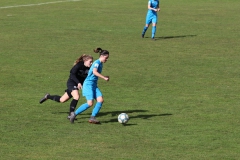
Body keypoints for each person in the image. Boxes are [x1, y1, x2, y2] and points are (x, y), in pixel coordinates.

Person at [39, 54, 93, 118]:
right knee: (76, 96)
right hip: (72, 82)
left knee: (62, 100)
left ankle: (48, 96)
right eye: (90, 61)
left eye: (92, 62)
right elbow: (72, 75)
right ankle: (71, 114)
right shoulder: (78, 65)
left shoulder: (90, 68)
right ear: (85, 60)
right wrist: (78, 83)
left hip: (78, 84)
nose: (91, 63)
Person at [69, 47, 110, 124]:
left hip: (94, 85)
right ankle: (74, 114)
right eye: (106, 58)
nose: (107, 59)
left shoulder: (100, 64)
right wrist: (104, 77)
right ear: (101, 56)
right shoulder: (97, 63)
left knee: (100, 100)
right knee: (90, 103)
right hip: (88, 85)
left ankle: (92, 117)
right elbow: (94, 72)